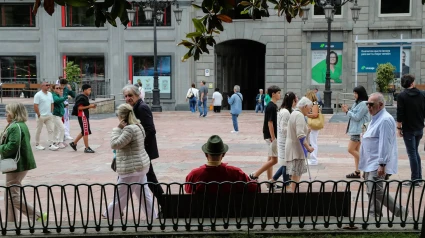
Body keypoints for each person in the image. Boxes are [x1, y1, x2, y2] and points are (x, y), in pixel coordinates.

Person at [103, 104, 156, 220]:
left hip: (131, 168)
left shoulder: (129, 129)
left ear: (122, 117)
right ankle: (152, 215)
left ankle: (110, 215)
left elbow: (115, 144)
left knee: (121, 195)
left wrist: (117, 129)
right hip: (140, 165)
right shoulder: (138, 125)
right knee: (143, 194)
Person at [359, 93, 406, 217]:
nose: (368, 107)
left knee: (376, 190)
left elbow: (385, 143)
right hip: (369, 162)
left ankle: (400, 212)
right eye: (367, 104)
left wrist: (382, 163)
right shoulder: (376, 118)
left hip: (377, 162)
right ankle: (374, 215)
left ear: (380, 105)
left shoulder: (385, 119)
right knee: (371, 191)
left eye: (371, 104)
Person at [0, 103, 46, 222]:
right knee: (9, 194)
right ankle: (11, 222)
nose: (6, 114)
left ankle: (37, 215)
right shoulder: (19, 125)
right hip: (19, 163)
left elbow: (12, 146)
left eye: (8, 111)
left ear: (14, 113)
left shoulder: (15, 127)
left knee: (12, 196)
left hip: (16, 164)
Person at [122, 85, 164, 205]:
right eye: (126, 96)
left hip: (143, 150)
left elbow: (150, 130)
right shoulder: (135, 107)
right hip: (140, 150)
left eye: (130, 95)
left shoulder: (142, 107)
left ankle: (165, 203)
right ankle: (116, 208)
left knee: (147, 178)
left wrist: (139, 143)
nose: (127, 98)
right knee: (139, 180)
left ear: (137, 95)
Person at [185, 135, 258, 194]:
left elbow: (188, 192)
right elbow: (253, 188)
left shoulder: (194, 174)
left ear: (206, 154)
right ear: (223, 154)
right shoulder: (236, 173)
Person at [396, 74, 425, 187]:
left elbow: (400, 114)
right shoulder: (422, 94)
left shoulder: (402, 96)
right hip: (419, 127)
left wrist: (399, 128)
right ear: (412, 83)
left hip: (408, 129)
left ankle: (415, 179)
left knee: (412, 153)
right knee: (415, 152)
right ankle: (419, 177)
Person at [249, 86, 281, 182]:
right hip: (271, 135)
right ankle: (254, 175)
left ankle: (270, 181)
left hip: (270, 135)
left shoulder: (273, 105)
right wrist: (273, 137)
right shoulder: (271, 106)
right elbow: (270, 123)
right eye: (278, 93)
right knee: (274, 160)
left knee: (270, 160)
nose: (280, 95)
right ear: (273, 94)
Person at [286, 97, 314, 192]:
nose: (310, 111)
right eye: (309, 108)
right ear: (305, 106)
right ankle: (293, 194)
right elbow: (300, 135)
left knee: (295, 175)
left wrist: (307, 130)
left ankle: (293, 193)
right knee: (296, 175)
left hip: (293, 147)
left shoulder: (294, 113)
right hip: (296, 149)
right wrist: (308, 147)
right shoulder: (299, 115)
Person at [270, 92, 298, 188]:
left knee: (285, 162)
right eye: (295, 99)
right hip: (285, 141)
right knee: (286, 163)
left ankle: (272, 180)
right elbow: (284, 128)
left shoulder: (285, 110)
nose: (297, 101)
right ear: (292, 100)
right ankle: (286, 184)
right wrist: (294, 132)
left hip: (285, 140)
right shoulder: (285, 112)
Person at [341, 86, 370, 179]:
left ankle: (368, 166)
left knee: (350, 149)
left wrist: (347, 112)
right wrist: (348, 110)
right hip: (356, 130)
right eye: (354, 93)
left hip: (359, 130)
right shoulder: (357, 103)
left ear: (360, 94)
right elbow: (353, 113)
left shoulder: (364, 104)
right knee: (356, 150)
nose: (354, 95)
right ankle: (357, 172)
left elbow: (357, 117)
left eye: (356, 93)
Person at [69, 84, 97, 153]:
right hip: (82, 115)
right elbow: (80, 108)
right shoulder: (81, 97)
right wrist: (90, 106)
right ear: (85, 90)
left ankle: (74, 143)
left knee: (84, 131)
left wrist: (91, 106)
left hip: (83, 115)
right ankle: (87, 148)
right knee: (85, 131)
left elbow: (84, 105)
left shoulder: (84, 97)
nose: (90, 91)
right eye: (89, 90)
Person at [33, 81, 59, 151]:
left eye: (49, 85)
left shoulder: (50, 94)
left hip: (49, 115)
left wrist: (51, 112)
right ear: (42, 86)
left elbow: (52, 103)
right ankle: (37, 144)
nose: (48, 86)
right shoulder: (38, 95)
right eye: (46, 85)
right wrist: (38, 114)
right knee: (39, 130)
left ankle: (51, 144)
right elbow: (35, 105)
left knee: (51, 130)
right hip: (41, 116)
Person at [305, 90, 321, 166]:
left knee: (313, 142)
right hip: (313, 125)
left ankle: (313, 159)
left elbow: (315, 114)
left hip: (314, 125)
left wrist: (307, 115)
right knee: (312, 141)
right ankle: (312, 158)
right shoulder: (314, 104)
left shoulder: (314, 104)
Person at [51, 84, 69, 149]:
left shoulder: (58, 95)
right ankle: (60, 142)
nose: (58, 89)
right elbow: (57, 101)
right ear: (53, 89)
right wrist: (65, 98)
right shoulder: (54, 95)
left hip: (59, 114)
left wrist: (64, 106)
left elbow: (60, 103)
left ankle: (54, 141)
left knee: (56, 129)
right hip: (56, 115)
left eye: (59, 88)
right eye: (57, 88)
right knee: (62, 128)